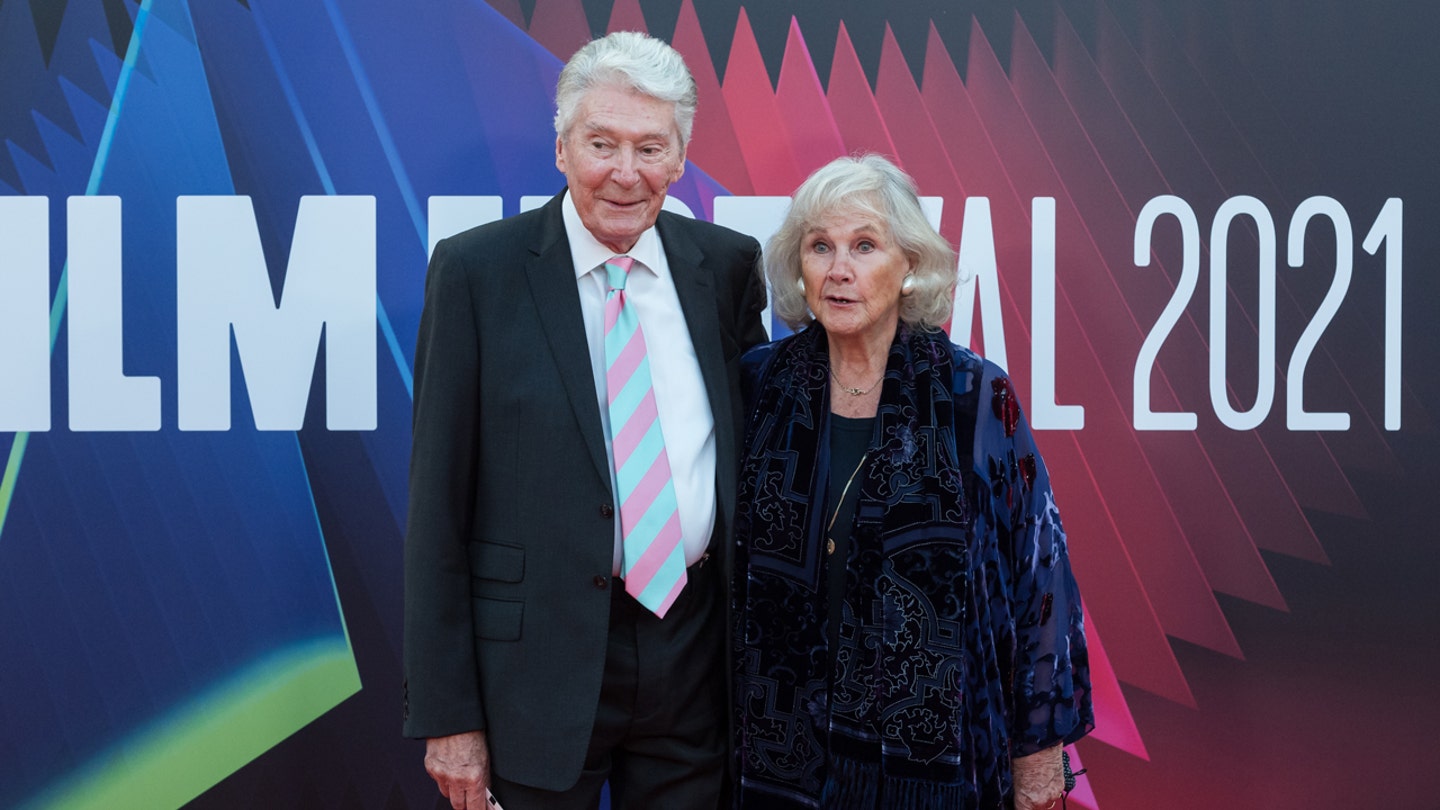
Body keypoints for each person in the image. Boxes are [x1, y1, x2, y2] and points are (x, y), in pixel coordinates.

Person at [404, 31, 768, 810]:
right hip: (533, 671)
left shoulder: (727, 267)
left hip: (694, 658)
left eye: (650, 148)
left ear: (680, 159)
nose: (625, 173)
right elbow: (437, 507)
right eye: (602, 143)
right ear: (562, 149)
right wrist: (447, 715)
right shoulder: (476, 273)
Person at [731, 155, 1092, 809]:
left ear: (910, 266)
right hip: (780, 758)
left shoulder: (973, 395)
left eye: (865, 246)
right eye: (820, 246)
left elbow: (1038, 578)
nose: (839, 269)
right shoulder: (759, 385)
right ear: (799, 265)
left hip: (939, 765)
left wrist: (1040, 755)